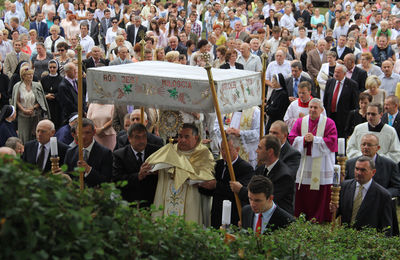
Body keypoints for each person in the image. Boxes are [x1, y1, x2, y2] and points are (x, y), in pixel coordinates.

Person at [146, 123, 215, 226]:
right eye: (180, 136)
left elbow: (207, 177)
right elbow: (153, 166)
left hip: (191, 200)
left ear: (196, 137)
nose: (182, 140)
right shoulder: (170, 150)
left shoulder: (203, 153)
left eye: (186, 137)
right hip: (167, 199)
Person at [288, 98, 338, 223]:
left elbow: (332, 141)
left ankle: (320, 216)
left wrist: (315, 139)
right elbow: (291, 139)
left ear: (321, 110)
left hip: (322, 163)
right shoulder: (300, 122)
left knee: (321, 191)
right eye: (310, 107)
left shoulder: (329, 123)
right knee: (303, 190)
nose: (312, 110)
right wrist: (304, 139)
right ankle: (302, 215)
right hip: (305, 161)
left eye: (315, 108)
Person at [199, 134, 254, 228]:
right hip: (216, 215)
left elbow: (239, 192)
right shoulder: (218, 165)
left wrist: (217, 185)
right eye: (222, 149)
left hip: (233, 216)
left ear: (237, 149)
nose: (224, 153)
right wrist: (202, 185)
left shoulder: (246, 168)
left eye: (228, 149)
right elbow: (211, 191)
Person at [231, 134, 295, 215]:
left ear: (270, 152)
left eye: (260, 148)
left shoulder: (284, 175)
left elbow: (267, 201)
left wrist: (241, 190)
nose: (256, 151)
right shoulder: (260, 169)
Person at [330, 156, 393, 236]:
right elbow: (336, 212)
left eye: (363, 170)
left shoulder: (383, 195)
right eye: (356, 169)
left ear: (373, 172)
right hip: (344, 239)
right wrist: (333, 208)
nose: (359, 173)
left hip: (367, 242)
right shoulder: (344, 186)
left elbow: (386, 229)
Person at [112, 123, 161, 208]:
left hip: (152, 201)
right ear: (129, 139)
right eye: (137, 137)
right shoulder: (119, 155)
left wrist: (159, 172)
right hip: (129, 202)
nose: (141, 141)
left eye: (144, 137)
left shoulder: (156, 152)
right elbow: (117, 180)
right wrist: (138, 176)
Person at [64, 118, 113, 187]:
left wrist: (89, 170)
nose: (84, 136)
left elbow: (106, 180)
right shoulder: (70, 152)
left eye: (87, 133)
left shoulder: (105, 153)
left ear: (94, 132)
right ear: (75, 134)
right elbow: (67, 175)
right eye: (80, 133)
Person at [11, 65, 49, 144]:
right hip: (23, 115)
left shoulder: (37, 85)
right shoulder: (17, 86)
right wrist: (23, 110)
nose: (31, 76)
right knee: (24, 136)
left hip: (35, 115)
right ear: (23, 76)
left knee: (35, 135)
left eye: (32, 74)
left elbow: (41, 100)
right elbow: (16, 100)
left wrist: (33, 108)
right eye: (29, 74)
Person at [323, 64, 358, 138]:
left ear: (344, 74)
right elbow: (325, 99)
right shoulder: (330, 82)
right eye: (335, 72)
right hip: (330, 115)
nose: (335, 74)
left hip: (344, 118)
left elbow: (354, 103)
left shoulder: (352, 84)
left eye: (338, 72)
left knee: (341, 138)